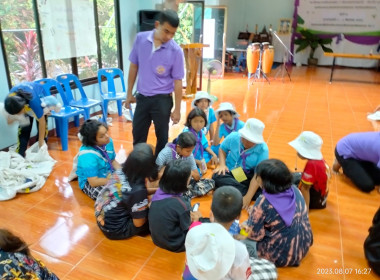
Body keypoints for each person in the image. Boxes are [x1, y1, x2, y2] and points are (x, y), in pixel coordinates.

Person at [183, 186, 278, 280]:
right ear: (238, 216)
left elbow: (217, 239)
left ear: (211, 214)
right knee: (270, 268)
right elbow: (242, 277)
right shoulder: (239, 250)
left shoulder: (194, 230)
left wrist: (239, 236)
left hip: (190, 277)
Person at [125, 9, 185, 157]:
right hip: (143, 98)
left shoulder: (176, 51)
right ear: (157, 24)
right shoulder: (140, 39)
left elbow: (178, 82)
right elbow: (133, 67)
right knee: (138, 134)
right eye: (166, 31)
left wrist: (177, 109)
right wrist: (129, 94)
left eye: (173, 33)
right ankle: (139, 165)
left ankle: (159, 167)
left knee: (163, 137)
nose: (169, 36)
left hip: (162, 100)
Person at [242, 159, 313, 267]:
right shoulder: (295, 190)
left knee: (241, 240)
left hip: (282, 255)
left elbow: (253, 236)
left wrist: (242, 231)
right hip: (304, 244)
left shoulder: (263, 202)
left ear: (266, 182)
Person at [94, 143, 159, 240]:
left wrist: (157, 190)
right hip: (115, 229)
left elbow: (131, 195)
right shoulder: (138, 191)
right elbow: (138, 223)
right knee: (158, 214)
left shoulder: (121, 170)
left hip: (102, 217)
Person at [213, 118, 269, 209]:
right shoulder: (234, 136)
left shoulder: (263, 149)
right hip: (233, 171)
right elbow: (222, 149)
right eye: (244, 137)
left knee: (266, 184)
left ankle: (239, 191)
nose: (246, 142)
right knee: (217, 176)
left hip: (250, 175)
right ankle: (250, 193)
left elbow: (258, 175)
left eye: (250, 140)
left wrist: (248, 198)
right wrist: (222, 165)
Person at [149, 160, 202, 252]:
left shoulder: (158, 192)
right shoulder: (181, 204)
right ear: (184, 182)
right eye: (190, 177)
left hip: (156, 239)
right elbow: (187, 225)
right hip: (176, 244)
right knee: (204, 224)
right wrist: (196, 219)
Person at [155, 131, 215, 198]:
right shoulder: (164, 154)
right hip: (168, 183)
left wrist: (187, 170)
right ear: (178, 147)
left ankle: (179, 194)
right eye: (188, 151)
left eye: (191, 151)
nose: (190, 153)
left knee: (210, 182)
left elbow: (197, 177)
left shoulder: (189, 155)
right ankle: (180, 195)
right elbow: (156, 176)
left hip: (184, 183)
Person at [76, 119, 121, 200]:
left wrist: (122, 174)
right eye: (102, 136)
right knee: (112, 197)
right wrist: (114, 181)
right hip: (92, 181)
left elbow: (112, 161)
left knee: (131, 173)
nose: (107, 136)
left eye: (106, 132)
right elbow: (93, 182)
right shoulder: (87, 155)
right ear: (92, 140)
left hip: (108, 174)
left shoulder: (108, 141)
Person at [3, 82, 47, 157]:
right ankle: (21, 153)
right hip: (24, 101)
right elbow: (9, 120)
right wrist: (13, 118)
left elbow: (42, 122)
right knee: (24, 130)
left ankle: (39, 150)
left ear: (24, 106)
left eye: (18, 113)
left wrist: (40, 144)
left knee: (42, 132)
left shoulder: (34, 102)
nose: (18, 116)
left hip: (42, 98)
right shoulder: (10, 100)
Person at [288, 131, 330, 210]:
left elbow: (305, 189)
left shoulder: (311, 165)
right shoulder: (319, 160)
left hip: (314, 200)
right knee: (293, 176)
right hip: (321, 197)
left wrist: (305, 210)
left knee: (283, 187)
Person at [183, 108, 218, 175]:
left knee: (211, 152)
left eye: (201, 121)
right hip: (187, 157)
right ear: (190, 121)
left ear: (205, 122)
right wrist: (197, 162)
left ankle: (203, 164)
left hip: (197, 155)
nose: (199, 124)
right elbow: (183, 154)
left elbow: (205, 145)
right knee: (196, 173)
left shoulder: (200, 132)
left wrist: (214, 154)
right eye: (195, 121)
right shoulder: (187, 133)